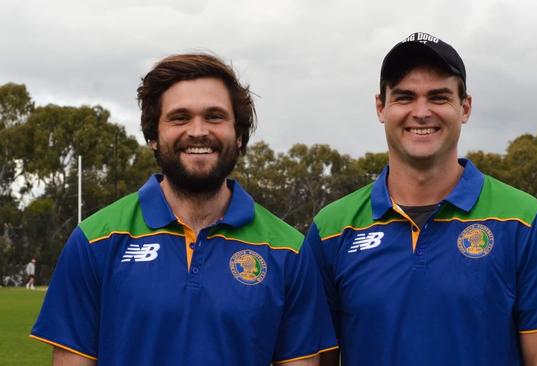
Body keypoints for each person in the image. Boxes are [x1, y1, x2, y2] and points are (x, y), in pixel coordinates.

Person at [31, 53, 337, 365]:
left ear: (240, 136)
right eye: (180, 117)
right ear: (153, 135)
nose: (198, 131)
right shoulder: (95, 240)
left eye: (215, 116)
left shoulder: (288, 250)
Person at [307, 32, 537, 365]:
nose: (421, 112)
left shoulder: (522, 220)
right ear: (381, 107)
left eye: (438, 97)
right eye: (405, 97)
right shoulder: (332, 229)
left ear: (464, 107)